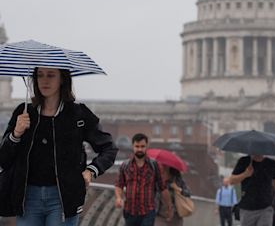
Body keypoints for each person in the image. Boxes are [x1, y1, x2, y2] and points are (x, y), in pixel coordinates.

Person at [0, 67, 118, 225]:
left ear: (62, 79)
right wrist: (16, 134)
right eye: (40, 75)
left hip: (63, 198)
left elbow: (109, 148)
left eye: (50, 75)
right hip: (28, 198)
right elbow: (4, 160)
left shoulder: (78, 114)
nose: (44, 80)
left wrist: (91, 171)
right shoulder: (24, 112)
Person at [115, 133, 170, 226]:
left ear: (147, 146)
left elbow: (163, 187)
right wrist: (118, 198)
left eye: (142, 146)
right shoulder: (125, 166)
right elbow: (119, 185)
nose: (139, 149)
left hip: (148, 212)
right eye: (137, 146)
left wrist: (168, 207)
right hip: (129, 212)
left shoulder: (154, 165)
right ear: (133, 146)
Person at [230, 154, 275, 226]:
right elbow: (232, 180)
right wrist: (245, 174)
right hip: (247, 207)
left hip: (266, 207)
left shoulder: (271, 163)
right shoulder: (244, 161)